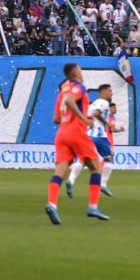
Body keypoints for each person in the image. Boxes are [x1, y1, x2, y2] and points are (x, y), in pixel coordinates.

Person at [45, 63, 108, 224]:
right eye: (80, 69)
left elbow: (56, 119)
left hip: (62, 134)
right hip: (77, 132)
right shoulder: (77, 87)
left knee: (60, 171)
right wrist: (84, 119)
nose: (82, 71)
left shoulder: (62, 91)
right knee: (96, 168)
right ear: (76, 72)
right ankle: (93, 206)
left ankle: (52, 204)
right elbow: (69, 101)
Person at [66, 83, 114, 198]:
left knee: (82, 159)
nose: (111, 93)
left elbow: (88, 116)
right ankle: (103, 184)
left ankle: (71, 180)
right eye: (110, 91)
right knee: (109, 159)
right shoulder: (103, 102)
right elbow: (96, 114)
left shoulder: (92, 104)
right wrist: (106, 123)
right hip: (99, 136)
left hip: (88, 135)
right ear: (104, 91)